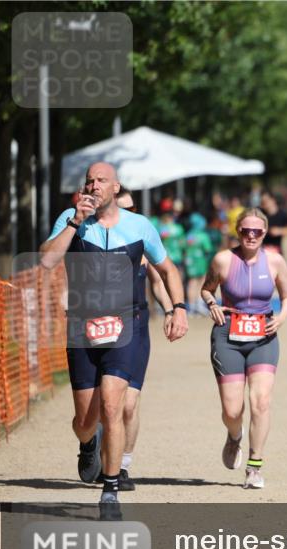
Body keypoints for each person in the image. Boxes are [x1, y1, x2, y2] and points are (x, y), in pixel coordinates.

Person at [38, 163, 188, 508]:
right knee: (85, 421)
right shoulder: (71, 220)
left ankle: (110, 489)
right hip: (82, 326)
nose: (94, 186)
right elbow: (46, 262)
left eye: (101, 181)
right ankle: (89, 443)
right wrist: (75, 222)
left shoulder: (140, 226)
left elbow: (167, 269)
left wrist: (177, 307)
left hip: (127, 324)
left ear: (115, 187)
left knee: (113, 405)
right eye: (89, 180)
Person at [201, 208, 287, 489]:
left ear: (265, 233)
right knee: (232, 410)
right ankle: (234, 435)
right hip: (228, 335)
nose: (251, 236)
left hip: (263, 337)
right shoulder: (223, 259)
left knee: (261, 401)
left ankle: (255, 467)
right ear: (237, 231)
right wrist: (212, 304)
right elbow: (206, 289)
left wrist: (280, 318)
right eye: (245, 231)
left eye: (257, 231)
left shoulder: (276, 261)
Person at [115, 186, 176, 489]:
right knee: (103, 404)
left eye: (133, 209)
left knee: (129, 403)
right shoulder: (101, 240)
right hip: (102, 328)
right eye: (123, 210)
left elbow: (159, 279)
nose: (130, 215)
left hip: (137, 326)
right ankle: (98, 450)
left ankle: (122, 464)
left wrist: (170, 310)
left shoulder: (142, 240)